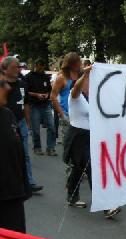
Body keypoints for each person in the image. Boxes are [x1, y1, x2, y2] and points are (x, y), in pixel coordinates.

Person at [0, 74, 44, 239]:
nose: (8, 87)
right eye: (2, 84)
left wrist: (24, 187)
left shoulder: (7, 115)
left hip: (12, 197)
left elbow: (18, 156)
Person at [64, 66, 121, 219]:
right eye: (88, 81)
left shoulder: (91, 97)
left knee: (79, 167)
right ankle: (106, 206)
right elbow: (76, 87)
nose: (90, 83)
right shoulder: (74, 95)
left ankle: (71, 195)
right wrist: (86, 73)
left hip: (89, 135)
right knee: (92, 169)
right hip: (77, 137)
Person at [1, 56, 43, 193]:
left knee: (24, 153)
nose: (17, 69)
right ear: (5, 69)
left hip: (21, 122)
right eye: (14, 67)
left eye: (18, 67)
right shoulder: (1, 85)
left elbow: (25, 104)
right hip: (5, 124)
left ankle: (29, 182)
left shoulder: (22, 84)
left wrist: (27, 121)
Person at [25, 59, 57, 156]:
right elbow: (26, 91)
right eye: (39, 66)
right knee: (36, 129)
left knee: (52, 126)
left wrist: (47, 95)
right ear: (36, 65)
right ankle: (37, 147)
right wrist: (36, 95)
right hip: (34, 105)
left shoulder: (45, 77)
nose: (41, 68)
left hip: (46, 104)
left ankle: (50, 148)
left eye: (42, 66)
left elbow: (49, 90)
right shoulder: (28, 77)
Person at [50, 52, 81, 140]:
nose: (79, 64)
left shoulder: (81, 75)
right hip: (68, 115)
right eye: (76, 62)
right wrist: (62, 114)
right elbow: (53, 96)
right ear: (70, 64)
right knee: (69, 145)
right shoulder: (61, 77)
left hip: (81, 115)